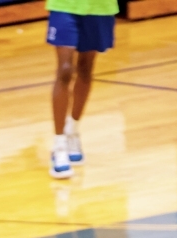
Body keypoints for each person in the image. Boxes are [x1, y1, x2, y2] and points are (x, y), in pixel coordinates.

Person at [47, 0, 118, 179]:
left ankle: (72, 131)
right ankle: (59, 145)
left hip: (99, 7)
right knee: (64, 70)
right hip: (64, 5)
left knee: (86, 69)